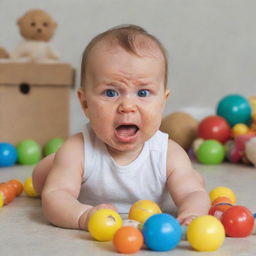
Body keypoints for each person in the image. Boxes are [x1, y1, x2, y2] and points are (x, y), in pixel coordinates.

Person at [32, 24, 210, 231]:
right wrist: (83, 215)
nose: (127, 106)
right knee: (42, 179)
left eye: (143, 93)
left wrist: (192, 213)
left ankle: (191, 175)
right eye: (110, 93)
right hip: (72, 171)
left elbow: (192, 194)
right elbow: (55, 197)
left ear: (163, 102)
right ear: (85, 103)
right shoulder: (77, 150)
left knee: (193, 181)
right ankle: (53, 164)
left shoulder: (169, 154)